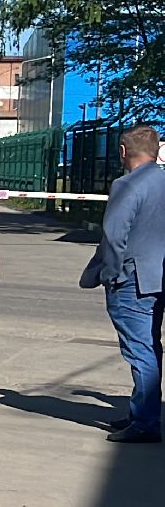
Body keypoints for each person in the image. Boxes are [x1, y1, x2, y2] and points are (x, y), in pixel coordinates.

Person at [80, 125, 165, 443]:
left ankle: (145, 422)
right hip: (159, 275)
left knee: (139, 350)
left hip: (132, 278)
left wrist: (111, 274)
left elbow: (115, 236)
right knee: (151, 348)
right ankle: (142, 413)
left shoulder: (126, 185)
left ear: (123, 151)